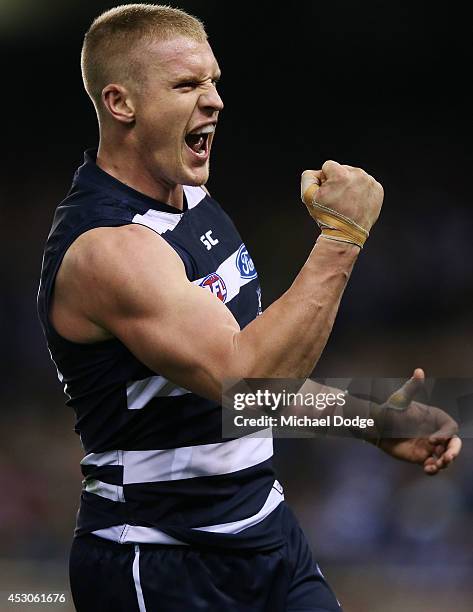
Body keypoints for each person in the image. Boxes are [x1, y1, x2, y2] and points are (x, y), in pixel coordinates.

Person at [37, 4, 461, 611]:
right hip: (160, 560)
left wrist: (375, 421)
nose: (213, 100)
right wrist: (342, 237)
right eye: (187, 84)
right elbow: (246, 376)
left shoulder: (195, 201)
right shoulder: (110, 250)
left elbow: (252, 389)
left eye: (213, 81)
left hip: (264, 531)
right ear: (120, 103)